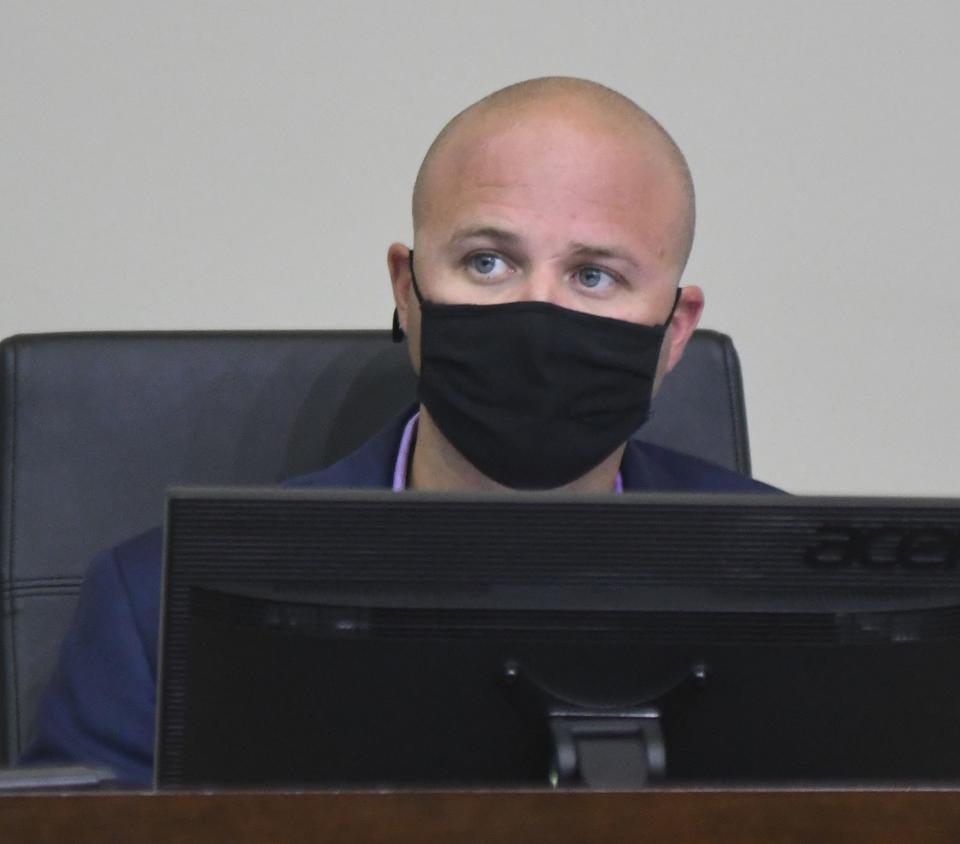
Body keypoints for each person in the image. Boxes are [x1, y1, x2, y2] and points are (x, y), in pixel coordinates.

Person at [21, 77, 776, 786]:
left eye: (594, 276)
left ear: (674, 331)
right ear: (406, 293)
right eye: (488, 262)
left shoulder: (782, 579)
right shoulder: (155, 604)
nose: (537, 310)